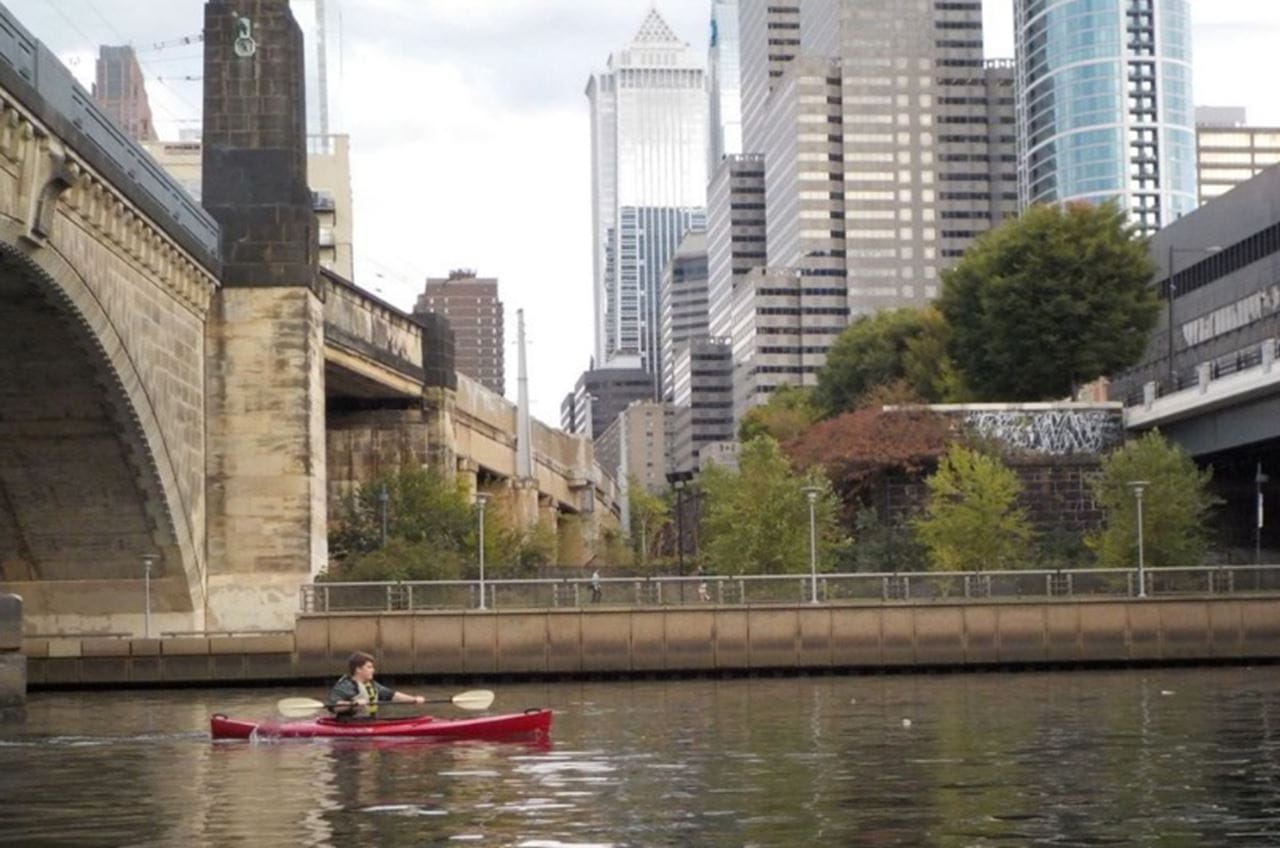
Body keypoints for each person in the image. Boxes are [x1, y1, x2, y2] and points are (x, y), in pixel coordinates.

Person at [327, 651, 426, 719]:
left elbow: (391, 695)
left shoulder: (371, 684)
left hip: (368, 722)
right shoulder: (345, 686)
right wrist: (353, 704)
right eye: (369, 667)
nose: (373, 670)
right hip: (348, 724)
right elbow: (334, 706)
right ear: (358, 669)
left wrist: (413, 699)